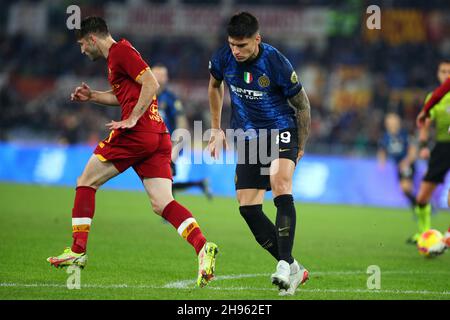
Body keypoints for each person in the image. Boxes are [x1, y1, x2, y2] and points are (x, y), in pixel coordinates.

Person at [46, 16, 218, 288]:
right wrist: (93, 96)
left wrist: (133, 119)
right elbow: (124, 96)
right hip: (157, 136)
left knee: (85, 182)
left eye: (81, 44)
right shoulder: (117, 58)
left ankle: (78, 250)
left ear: (92, 39)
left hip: (138, 133)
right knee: (162, 203)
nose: (81, 50)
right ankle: (202, 247)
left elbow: (151, 83)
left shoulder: (120, 52)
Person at [207, 12, 311, 296]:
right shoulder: (223, 58)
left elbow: (302, 105)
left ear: (257, 39)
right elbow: (214, 85)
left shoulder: (275, 62)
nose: (236, 51)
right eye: (232, 44)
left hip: (281, 130)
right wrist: (216, 128)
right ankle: (292, 266)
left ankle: (282, 266)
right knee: (248, 207)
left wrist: (300, 145)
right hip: (248, 137)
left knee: (280, 184)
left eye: (242, 45)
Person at [152, 64, 212, 199]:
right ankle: (199, 184)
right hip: (150, 144)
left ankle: (168, 210)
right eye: (157, 75)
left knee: (165, 179)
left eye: (163, 75)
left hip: (167, 146)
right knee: (162, 181)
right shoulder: (144, 96)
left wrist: (175, 147)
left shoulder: (171, 99)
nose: (161, 78)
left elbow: (181, 123)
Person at [410, 59, 450, 251]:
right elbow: (425, 123)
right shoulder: (433, 97)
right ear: (438, 73)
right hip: (441, 148)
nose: (446, 75)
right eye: (443, 71)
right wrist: (424, 145)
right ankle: (424, 234)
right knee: (422, 196)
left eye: (448, 72)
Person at [377, 113, 417, 213]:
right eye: (389, 122)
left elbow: (412, 151)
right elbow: (382, 150)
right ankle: (420, 205)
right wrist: (382, 161)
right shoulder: (386, 136)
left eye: (393, 121)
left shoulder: (404, 134)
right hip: (398, 166)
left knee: (405, 187)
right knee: (404, 190)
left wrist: (406, 161)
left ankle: (421, 206)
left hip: (407, 164)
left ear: (398, 123)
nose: (391, 124)